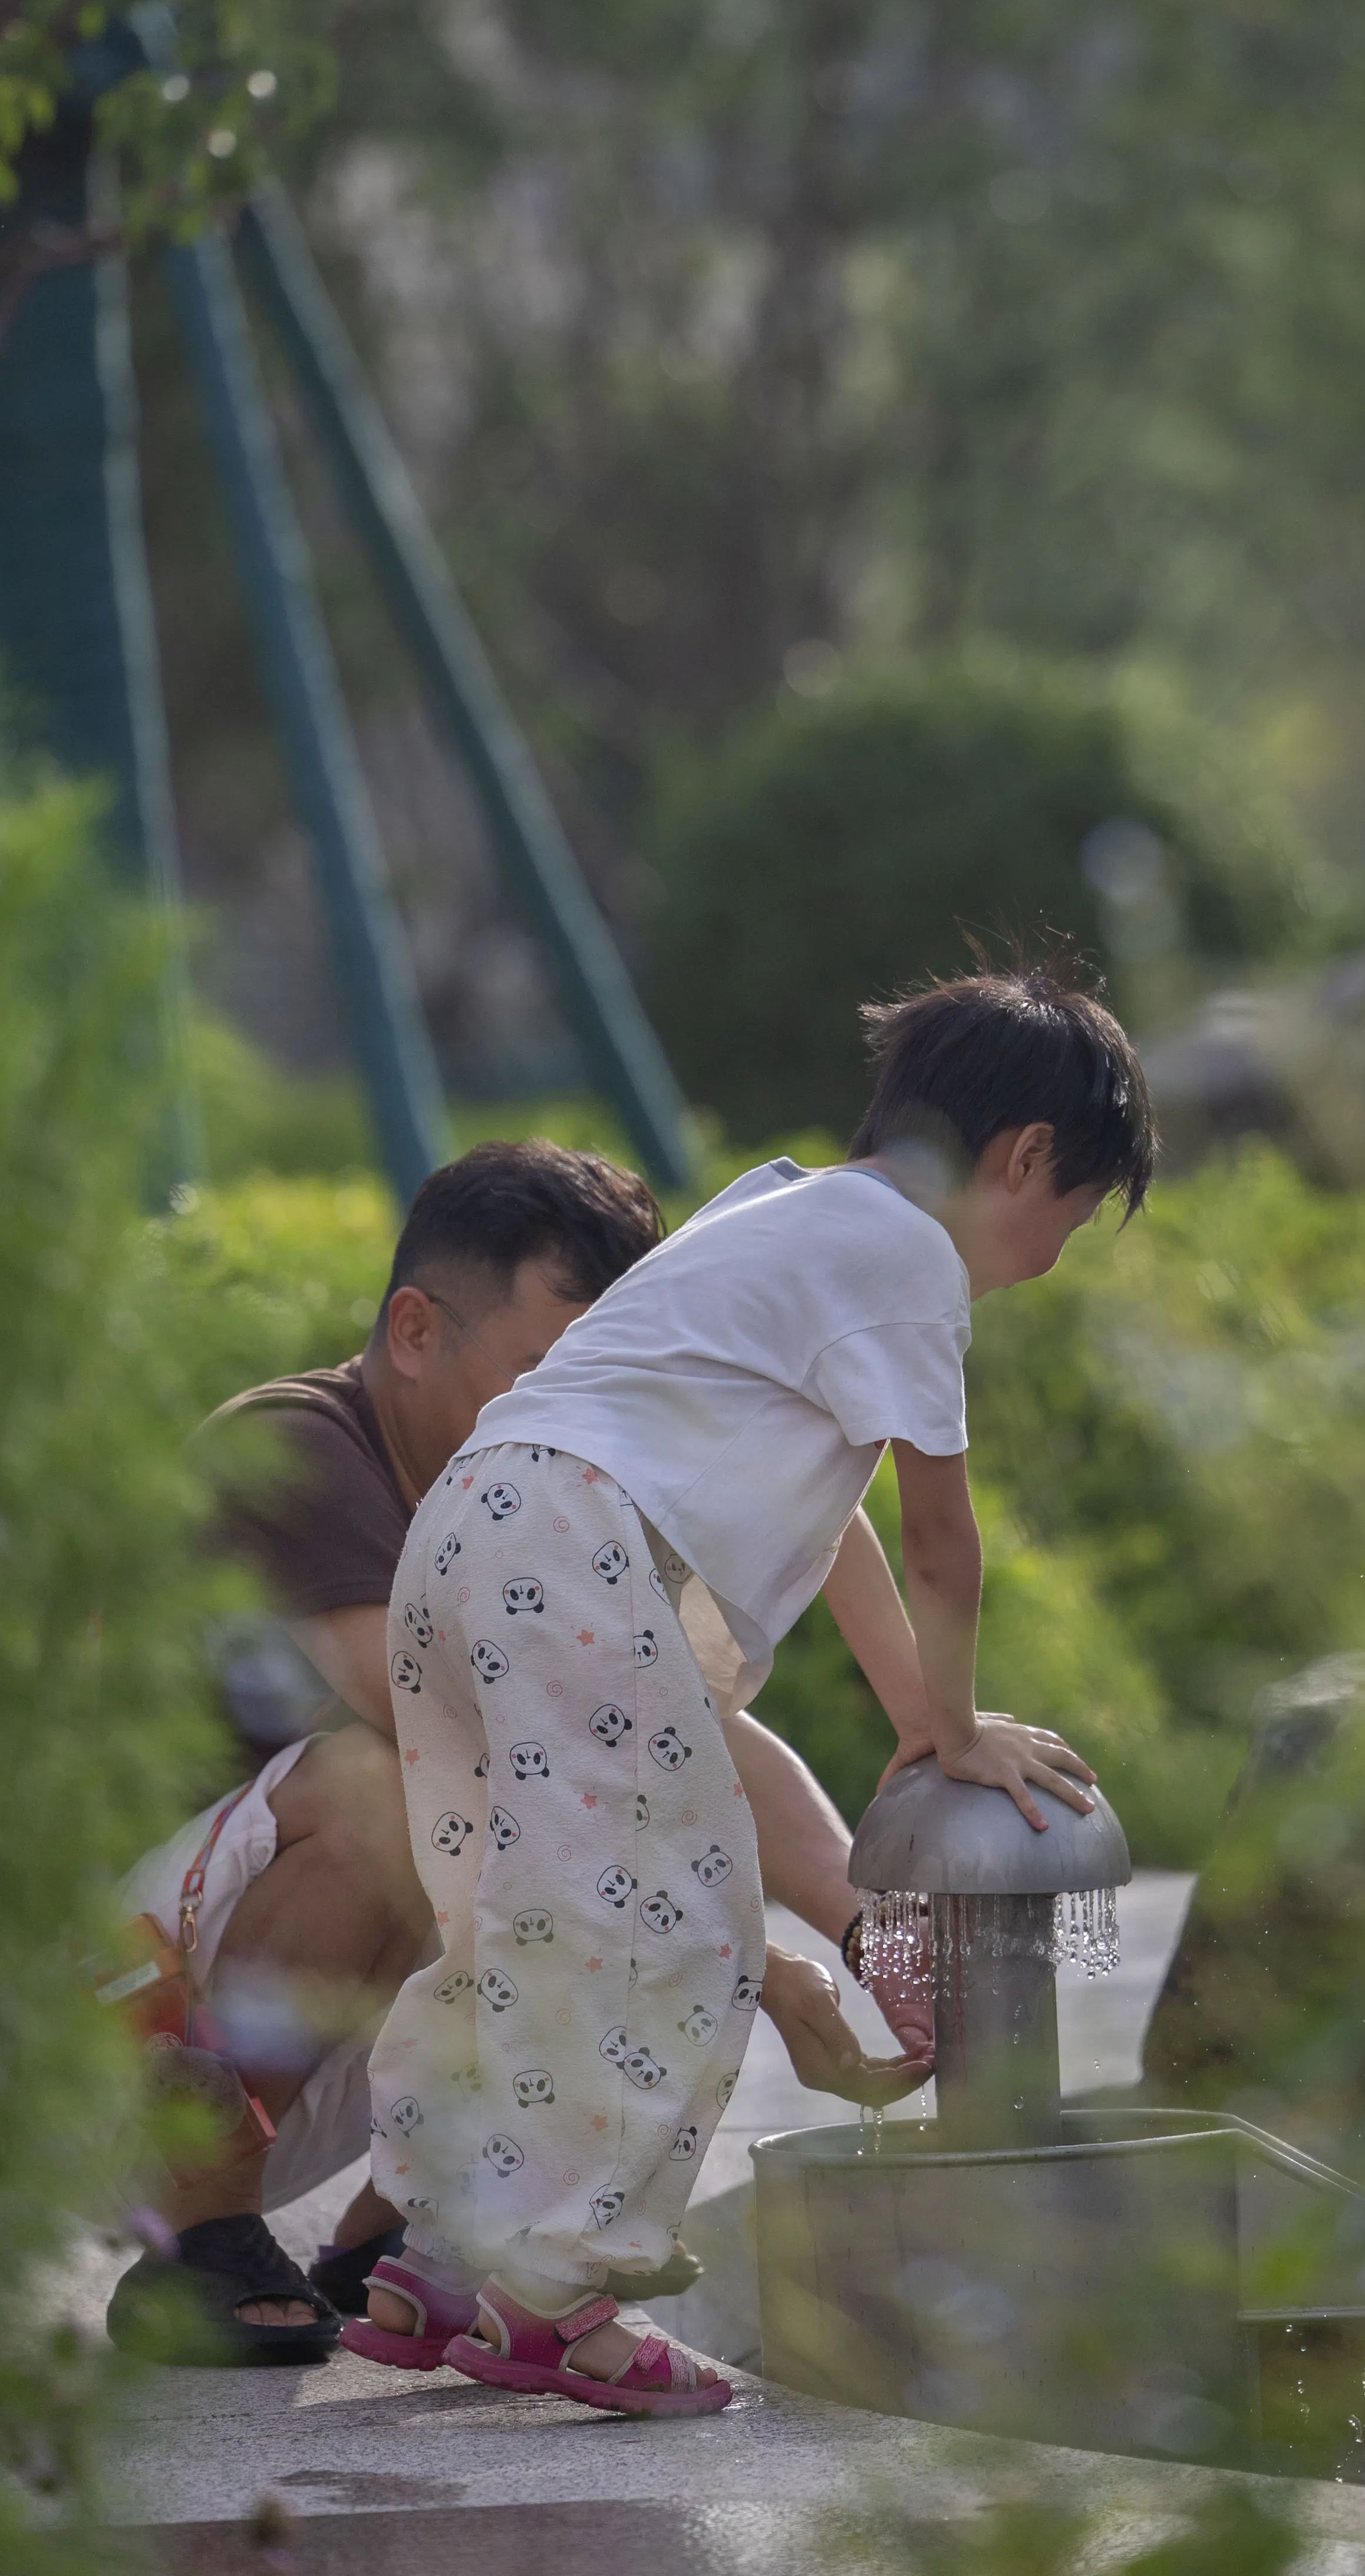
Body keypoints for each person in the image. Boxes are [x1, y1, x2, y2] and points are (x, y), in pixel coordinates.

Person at [352, 964, 1156, 2414]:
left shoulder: (773, 1205)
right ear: (1024, 1158)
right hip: (575, 1549)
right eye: (1077, 1216)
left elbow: (832, 1513)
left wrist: (915, 1711)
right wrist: (966, 1732)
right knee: (679, 1921)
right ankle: (566, 2304)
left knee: (517, 1910)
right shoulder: (911, 1257)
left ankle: (445, 2257)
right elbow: (935, 1535)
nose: (1056, 1248)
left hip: (468, 1528)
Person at [107, 1138, 927, 2368]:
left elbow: (662, 1731)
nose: (581, 1401)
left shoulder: (535, 1491)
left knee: (542, 1826)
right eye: (548, 1366)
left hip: (284, 2036)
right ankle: (201, 2233)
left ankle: (411, 2239)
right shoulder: (294, 1449)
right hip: (110, 2015)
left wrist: (880, 1940)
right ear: (417, 1330)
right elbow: (499, 1737)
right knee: (408, 1795)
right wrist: (756, 1967)